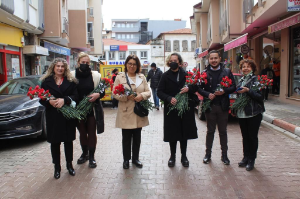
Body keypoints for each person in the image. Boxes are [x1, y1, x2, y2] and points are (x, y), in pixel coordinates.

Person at [39, 58, 78, 179]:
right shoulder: (46, 81)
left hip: (67, 116)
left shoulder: (71, 81)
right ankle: (57, 167)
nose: (60, 68)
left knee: (68, 142)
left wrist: (65, 100)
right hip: (53, 116)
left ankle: (69, 165)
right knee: (55, 143)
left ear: (65, 68)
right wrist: (49, 101)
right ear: (53, 68)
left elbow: (76, 96)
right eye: (58, 66)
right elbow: (41, 97)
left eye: (62, 66)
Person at [157, 53, 198, 167]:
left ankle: (184, 156)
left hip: (185, 108)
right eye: (171, 61)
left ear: (179, 62)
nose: (173, 62)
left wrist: (188, 88)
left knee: (184, 132)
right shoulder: (165, 76)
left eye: (175, 60)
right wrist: (169, 98)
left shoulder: (186, 74)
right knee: (172, 133)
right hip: (171, 109)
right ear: (169, 62)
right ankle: (172, 156)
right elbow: (159, 92)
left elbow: (195, 87)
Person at [197, 50, 236, 165]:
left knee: (223, 132)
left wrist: (224, 91)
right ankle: (207, 154)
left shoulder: (227, 72)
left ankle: (224, 156)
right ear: (208, 60)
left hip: (223, 106)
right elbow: (199, 88)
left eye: (215, 58)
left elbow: (233, 86)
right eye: (211, 58)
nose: (213, 60)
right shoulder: (204, 72)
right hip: (210, 106)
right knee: (210, 131)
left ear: (220, 59)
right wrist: (207, 94)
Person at [113, 55, 151, 169]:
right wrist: (126, 97)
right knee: (126, 138)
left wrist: (141, 96)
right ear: (126, 64)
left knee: (137, 137)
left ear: (137, 65)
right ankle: (126, 160)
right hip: (125, 112)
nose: (132, 66)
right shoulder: (120, 77)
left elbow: (148, 92)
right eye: (130, 63)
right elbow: (115, 93)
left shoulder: (141, 77)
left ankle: (135, 158)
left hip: (138, 112)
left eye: (134, 64)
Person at [71, 52, 105, 168]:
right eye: (83, 62)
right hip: (78, 109)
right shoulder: (72, 75)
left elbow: (102, 90)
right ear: (78, 62)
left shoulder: (95, 75)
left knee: (91, 133)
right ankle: (84, 153)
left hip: (92, 109)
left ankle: (91, 157)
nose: (85, 64)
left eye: (87, 62)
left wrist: (97, 95)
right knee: (82, 133)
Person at [235, 59, 265, 171]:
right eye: (243, 66)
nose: (245, 68)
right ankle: (245, 157)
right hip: (242, 113)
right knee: (245, 137)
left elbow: (260, 97)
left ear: (252, 68)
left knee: (252, 137)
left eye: (248, 66)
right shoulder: (241, 80)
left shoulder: (256, 80)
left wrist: (248, 90)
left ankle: (252, 159)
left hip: (253, 113)